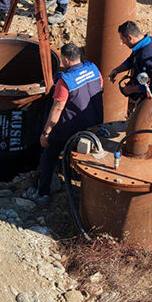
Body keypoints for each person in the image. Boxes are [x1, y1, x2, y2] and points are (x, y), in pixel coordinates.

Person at [37, 43, 103, 200]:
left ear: (65, 60)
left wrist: (46, 133)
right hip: (95, 125)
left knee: (48, 156)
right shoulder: (93, 69)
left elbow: (57, 109)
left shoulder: (65, 82)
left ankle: (42, 194)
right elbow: (100, 87)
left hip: (70, 130)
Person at [108, 21, 152, 99]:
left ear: (130, 37)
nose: (123, 42)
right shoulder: (150, 41)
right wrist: (117, 70)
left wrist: (130, 90)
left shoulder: (147, 57)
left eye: (123, 39)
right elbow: (132, 59)